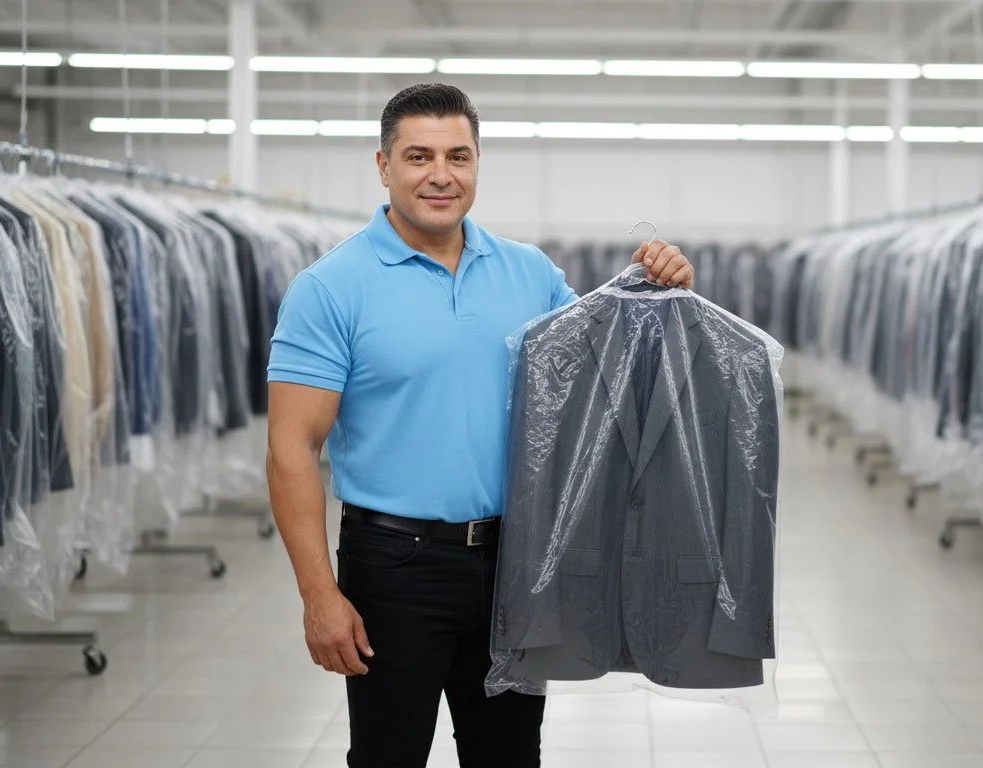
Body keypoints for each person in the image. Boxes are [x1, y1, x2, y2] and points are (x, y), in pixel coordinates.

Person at [264, 83, 695, 768]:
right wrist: (319, 595)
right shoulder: (331, 287)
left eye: (458, 156)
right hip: (394, 567)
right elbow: (292, 446)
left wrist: (658, 288)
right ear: (384, 165)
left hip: (515, 563)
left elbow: (604, 379)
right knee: (387, 756)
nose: (441, 174)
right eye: (419, 156)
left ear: (477, 163)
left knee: (510, 755)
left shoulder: (530, 273)